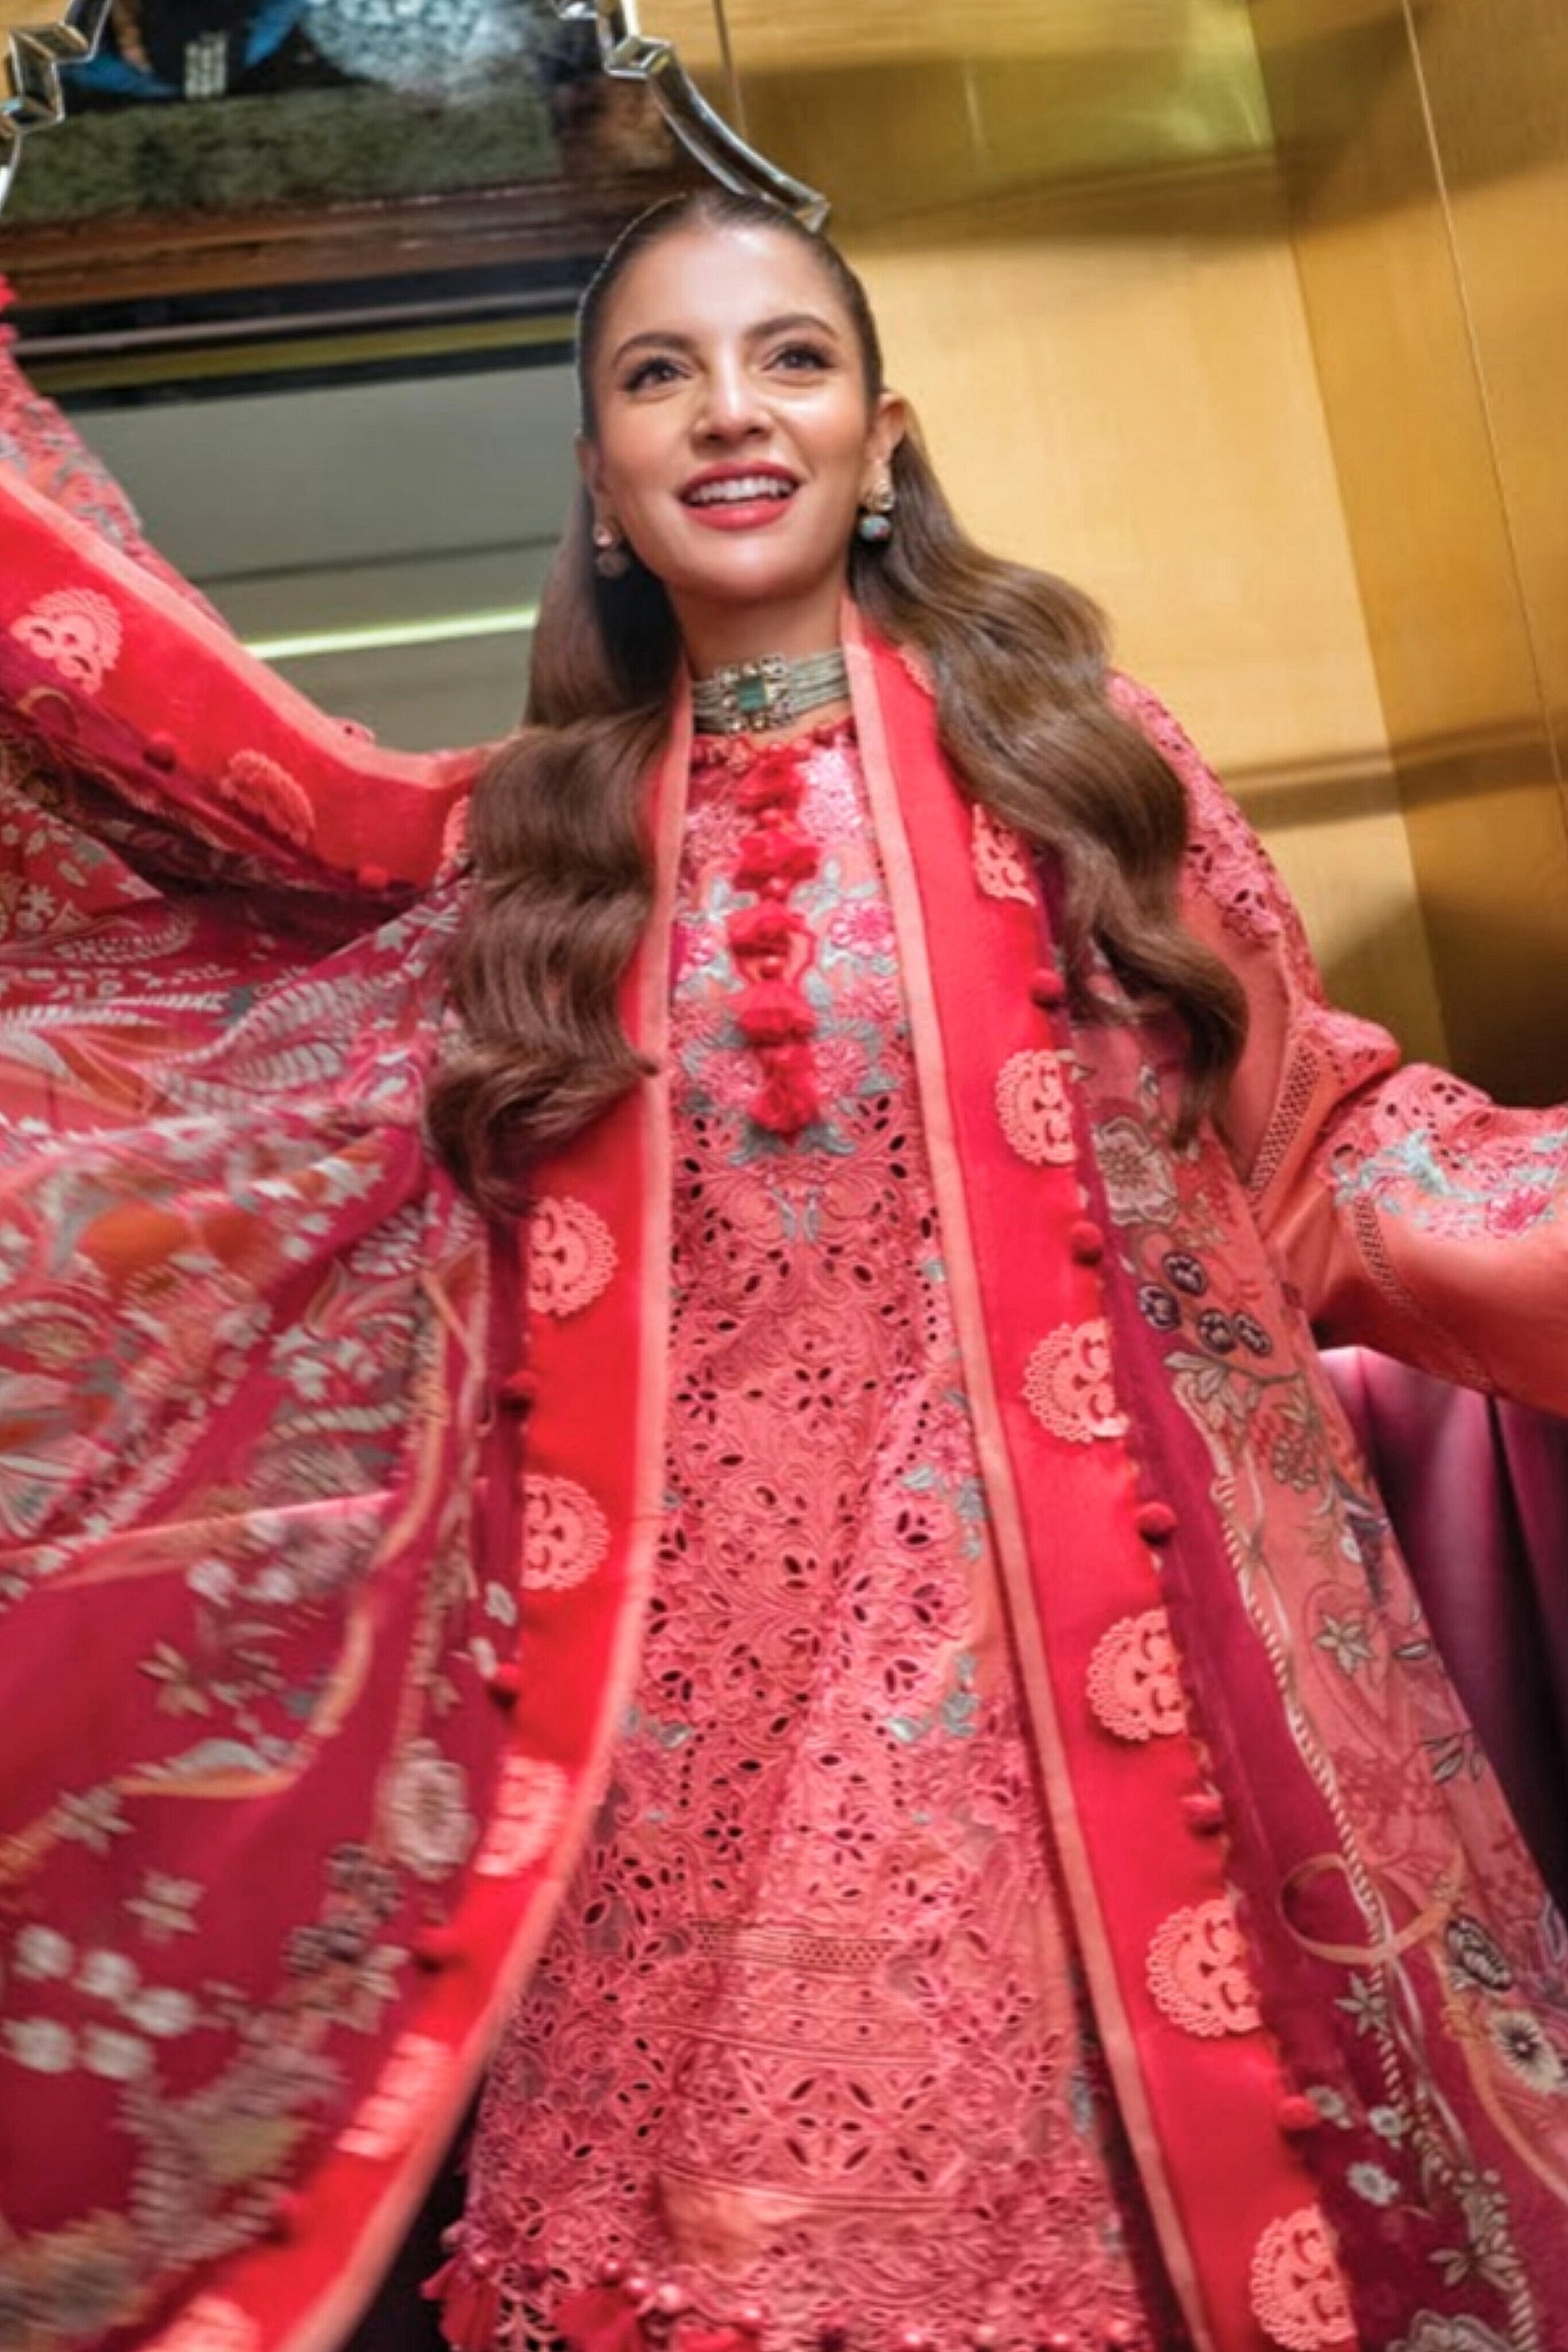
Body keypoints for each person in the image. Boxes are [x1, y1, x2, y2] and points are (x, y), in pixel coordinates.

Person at [1, 189, 1566, 2352]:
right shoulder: (532, 870)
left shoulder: (1077, 767)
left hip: (1084, 1708)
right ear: (602, 484)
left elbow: (1305, 1151)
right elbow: (266, 1103)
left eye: (790, 361)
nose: (731, 412)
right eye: (662, 376)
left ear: (879, 438)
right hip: (683, 1755)